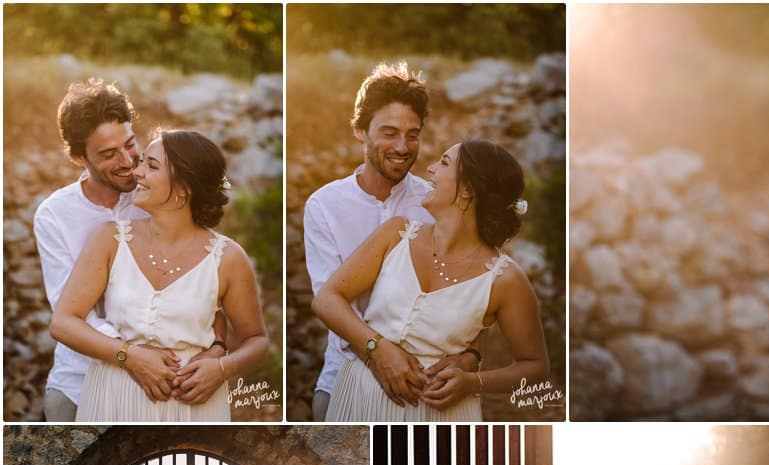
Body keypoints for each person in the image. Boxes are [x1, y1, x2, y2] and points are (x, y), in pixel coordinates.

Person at [313, 138, 550, 421]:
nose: (430, 170)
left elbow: (535, 366)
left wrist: (474, 382)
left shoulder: (505, 280)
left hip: (441, 416)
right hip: (359, 399)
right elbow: (326, 299)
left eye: (445, 163)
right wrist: (377, 348)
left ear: (467, 190)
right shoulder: (396, 234)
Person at [33, 79, 225, 421]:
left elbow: (206, 282)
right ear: (79, 158)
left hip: (166, 384)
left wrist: (218, 349)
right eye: (108, 154)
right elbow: (72, 315)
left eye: (130, 143)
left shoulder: (159, 194)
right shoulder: (54, 216)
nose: (126, 161)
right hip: (79, 384)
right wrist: (135, 353)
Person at [49, 129, 268, 421]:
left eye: (151, 166)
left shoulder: (228, 257)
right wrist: (130, 357)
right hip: (112, 396)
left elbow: (256, 341)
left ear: (183, 187)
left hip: (193, 404)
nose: (136, 172)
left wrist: (221, 368)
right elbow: (63, 323)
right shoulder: (110, 239)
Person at [302, 62, 479, 421]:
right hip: (344, 379)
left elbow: (470, 291)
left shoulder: (436, 203)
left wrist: (471, 358)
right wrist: (379, 353)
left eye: (412, 134)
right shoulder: (324, 206)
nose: (402, 147)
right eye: (389, 132)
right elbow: (331, 301)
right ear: (359, 131)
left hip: (428, 389)